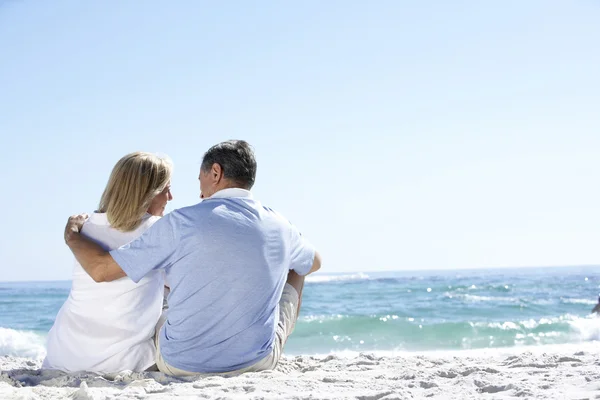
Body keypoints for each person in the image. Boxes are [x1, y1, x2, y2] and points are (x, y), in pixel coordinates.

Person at [64, 140, 321, 376]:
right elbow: (315, 262)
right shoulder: (281, 225)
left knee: (166, 294)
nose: (199, 192)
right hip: (256, 362)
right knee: (299, 269)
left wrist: (73, 235)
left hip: (178, 365)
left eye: (201, 180)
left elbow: (100, 270)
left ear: (216, 173)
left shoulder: (179, 222)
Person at [43, 152, 173, 373]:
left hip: (62, 356)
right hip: (121, 363)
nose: (170, 197)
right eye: (166, 189)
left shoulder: (86, 225)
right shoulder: (159, 230)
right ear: (147, 193)